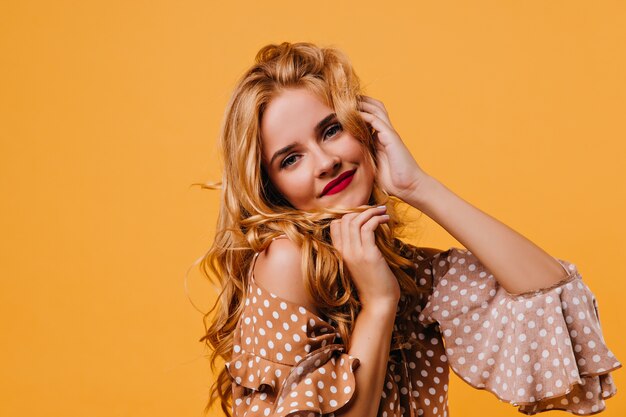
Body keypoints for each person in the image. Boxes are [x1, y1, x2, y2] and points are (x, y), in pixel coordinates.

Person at [197, 41, 621, 417]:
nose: (325, 161)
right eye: (291, 159)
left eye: (331, 130)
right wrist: (379, 303)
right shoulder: (287, 261)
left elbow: (548, 293)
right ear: (272, 188)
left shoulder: (401, 267)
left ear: (362, 125)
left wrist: (418, 186)